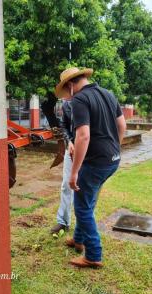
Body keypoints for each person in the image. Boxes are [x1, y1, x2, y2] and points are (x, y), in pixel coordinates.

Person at [55, 67, 127, 268]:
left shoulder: (79, 99)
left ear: (70, 85)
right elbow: (122, 126)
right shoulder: (108, 94)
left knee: (82, 207)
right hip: (112, 159)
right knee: (87, 200)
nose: (68, 97)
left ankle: (93, 255)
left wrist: (75, 171)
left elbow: (83, 135)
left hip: (95, 162)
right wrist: (114, 148)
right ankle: (78, 240)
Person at [50, 98, 75, 235]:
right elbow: (64, 125)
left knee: (84, 188)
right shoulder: (67, 104)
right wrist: (70, 140)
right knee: (66, 184)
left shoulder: (88, 99)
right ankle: (63, 221)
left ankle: (85, 225)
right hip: (71, 150)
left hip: (88, 151)